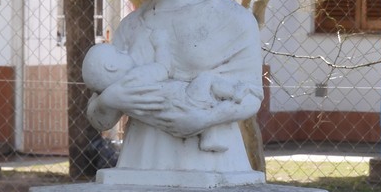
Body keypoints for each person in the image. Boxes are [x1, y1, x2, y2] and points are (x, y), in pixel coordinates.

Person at [86, 0, 263, 177]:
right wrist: (111, 99)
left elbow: (250, 96)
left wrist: (205, 119)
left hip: (212, 167)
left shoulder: (232, 19)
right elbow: (99, 115)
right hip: (141, 163)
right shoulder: (133, 26)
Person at [82, 42, 263, 153]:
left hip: (181, 114)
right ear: (111, 67)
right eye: (119, 53)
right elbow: (100, 121)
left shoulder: (237, 19)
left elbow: (255, 97)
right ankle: (232, 94)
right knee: (207, 81)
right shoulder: (134, 76)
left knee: (206, 90)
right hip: (178, 103)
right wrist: (107, 101)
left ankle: (209, 134)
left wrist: (205, 120)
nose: (124, 51)